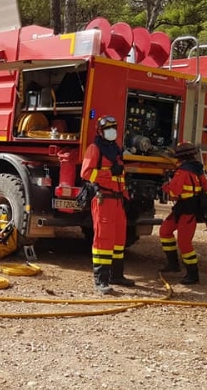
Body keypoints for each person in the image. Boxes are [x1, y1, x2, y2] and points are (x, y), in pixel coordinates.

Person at [80, 115, 135, 294]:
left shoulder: (116, 149)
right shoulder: (95, 149)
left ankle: (116, 275)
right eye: (108, 128)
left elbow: (121, 175)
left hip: (118, 200)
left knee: (119, 239)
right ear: (100, 131)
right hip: (103, 198)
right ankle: (101, 280)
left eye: (114, 127)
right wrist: (109, 173)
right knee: (103, 239)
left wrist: (126, 196)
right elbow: (86, 173)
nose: (112, 131)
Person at [158, 142, 207, 285]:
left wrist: (165, 186)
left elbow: (174, 192)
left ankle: (193, 274)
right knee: (165, 231)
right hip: (182, 208)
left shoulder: (183, 171)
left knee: (184, 243)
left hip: (188, 211)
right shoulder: (197, 169)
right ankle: (173, 264)